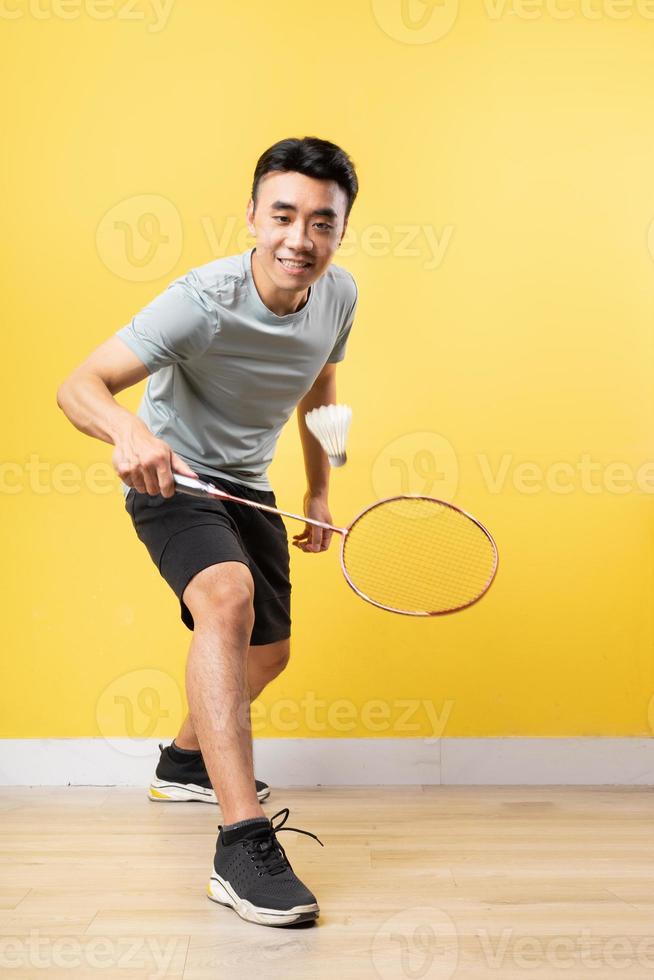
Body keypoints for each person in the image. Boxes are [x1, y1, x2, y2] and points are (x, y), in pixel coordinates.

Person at [56, 136, 359, 927]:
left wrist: (320, 489)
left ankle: (185, 762)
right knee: (227, 598)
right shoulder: (202, 297)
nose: (300, 238)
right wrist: (128, 433)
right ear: (253, 217)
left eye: (321, 223)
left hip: (251, 486)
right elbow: (78, 384)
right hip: (173, 474)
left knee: (269, 653)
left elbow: (320, 386)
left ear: (341, 232)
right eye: (284, 215)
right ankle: (241, 842)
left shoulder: (340, 297)